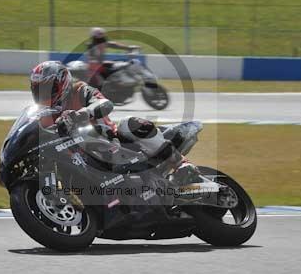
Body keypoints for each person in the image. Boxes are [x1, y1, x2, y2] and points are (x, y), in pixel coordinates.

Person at [29, 61, 199, 183]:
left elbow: (105, 103)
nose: (43, 94)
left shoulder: (80, 90)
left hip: (112, 142)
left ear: (62, 84)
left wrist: (83, 113)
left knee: (128, 123)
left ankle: (182, 164)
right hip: (79, 155)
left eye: (48, 88)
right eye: (38, 89)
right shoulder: (44, 113)